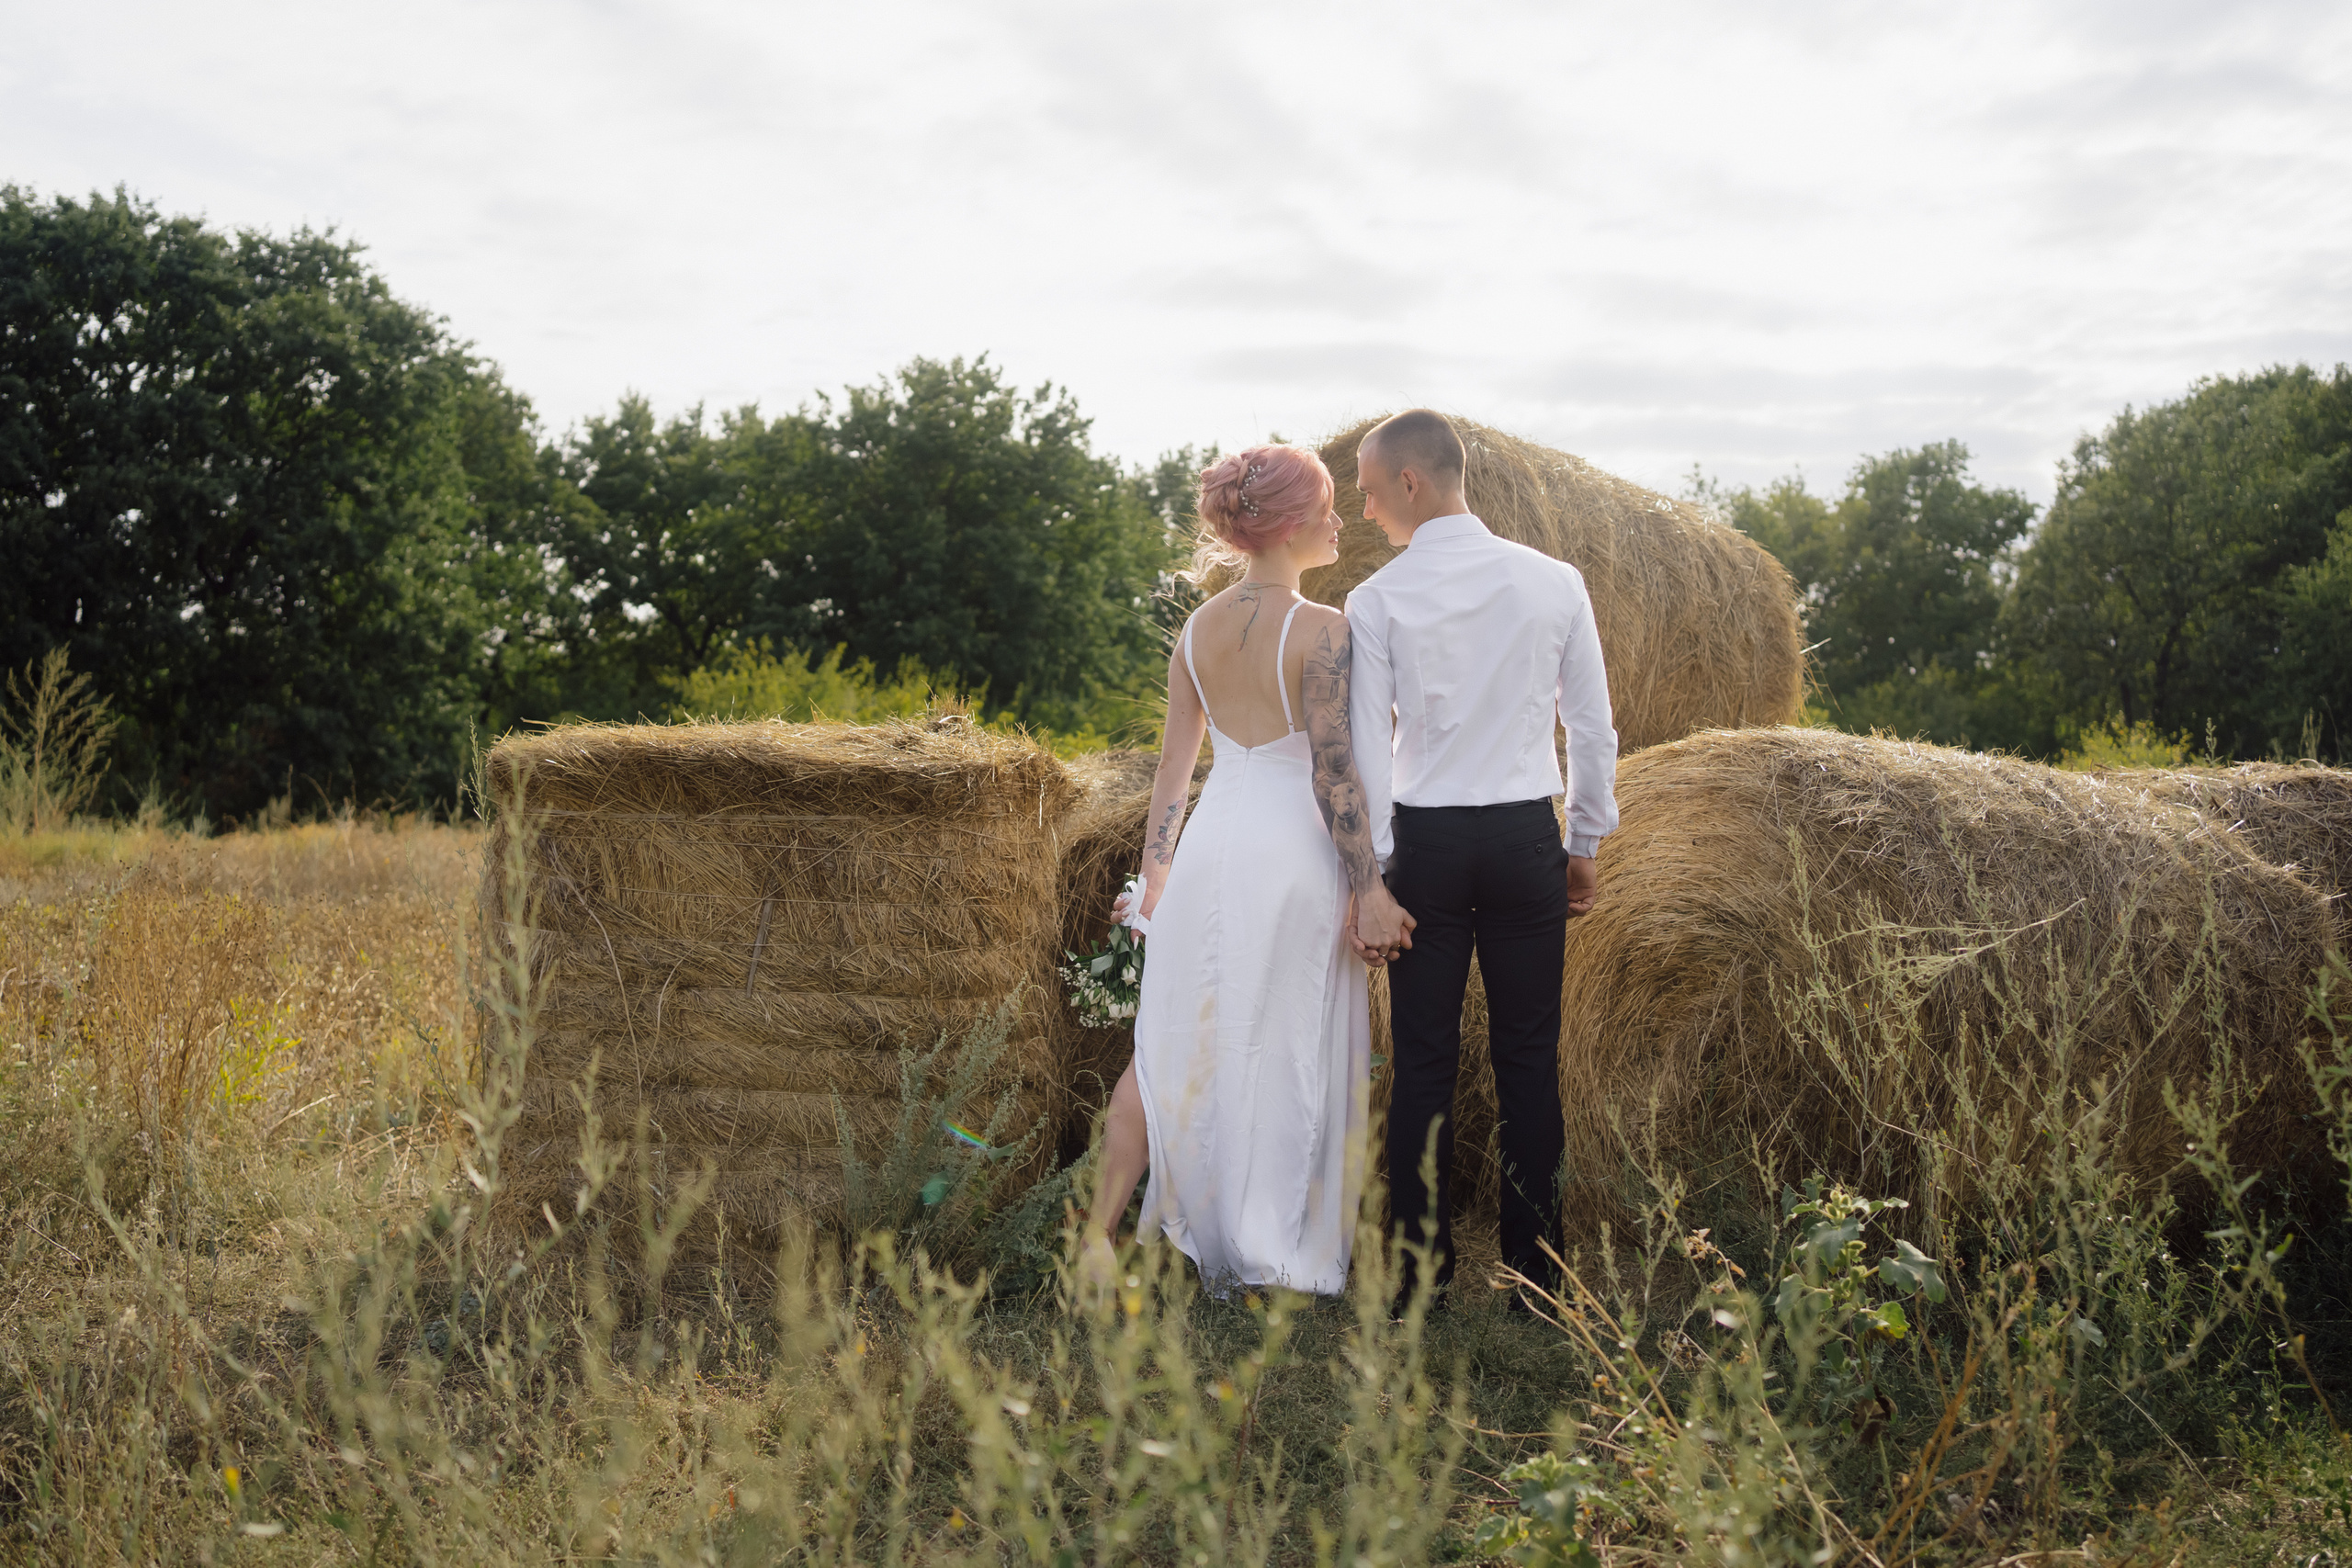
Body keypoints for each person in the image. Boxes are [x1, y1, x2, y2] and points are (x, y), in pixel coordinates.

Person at [1086, 445, 1416, 1295]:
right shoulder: (1325, 630)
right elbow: (1334, 773)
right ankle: (1267, 1241)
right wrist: (1370, 883)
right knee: (1282, 1043)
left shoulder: (1197, 633)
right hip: (1291, 855)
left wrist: (1152, 878)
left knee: (1168, 1040)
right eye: (1331, 509)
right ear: (1293, 525)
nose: (1342, 522)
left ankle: (1097, 1232)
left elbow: (1172, 774)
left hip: (1206, 848)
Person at [1344, 409, 1618, 1308]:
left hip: (1427, 842)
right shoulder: (1554, 582)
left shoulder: (1377, 600)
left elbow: (1367, 751)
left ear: (1411, 484)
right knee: (1528, 1060)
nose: (1363, 505)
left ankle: (1420, 1280)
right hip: (1520, 840)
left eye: (1370, 488)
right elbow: (1589, 728)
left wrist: (1377, 875)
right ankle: (1538, 1277)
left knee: (1422, 1063)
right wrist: (1579, 842)